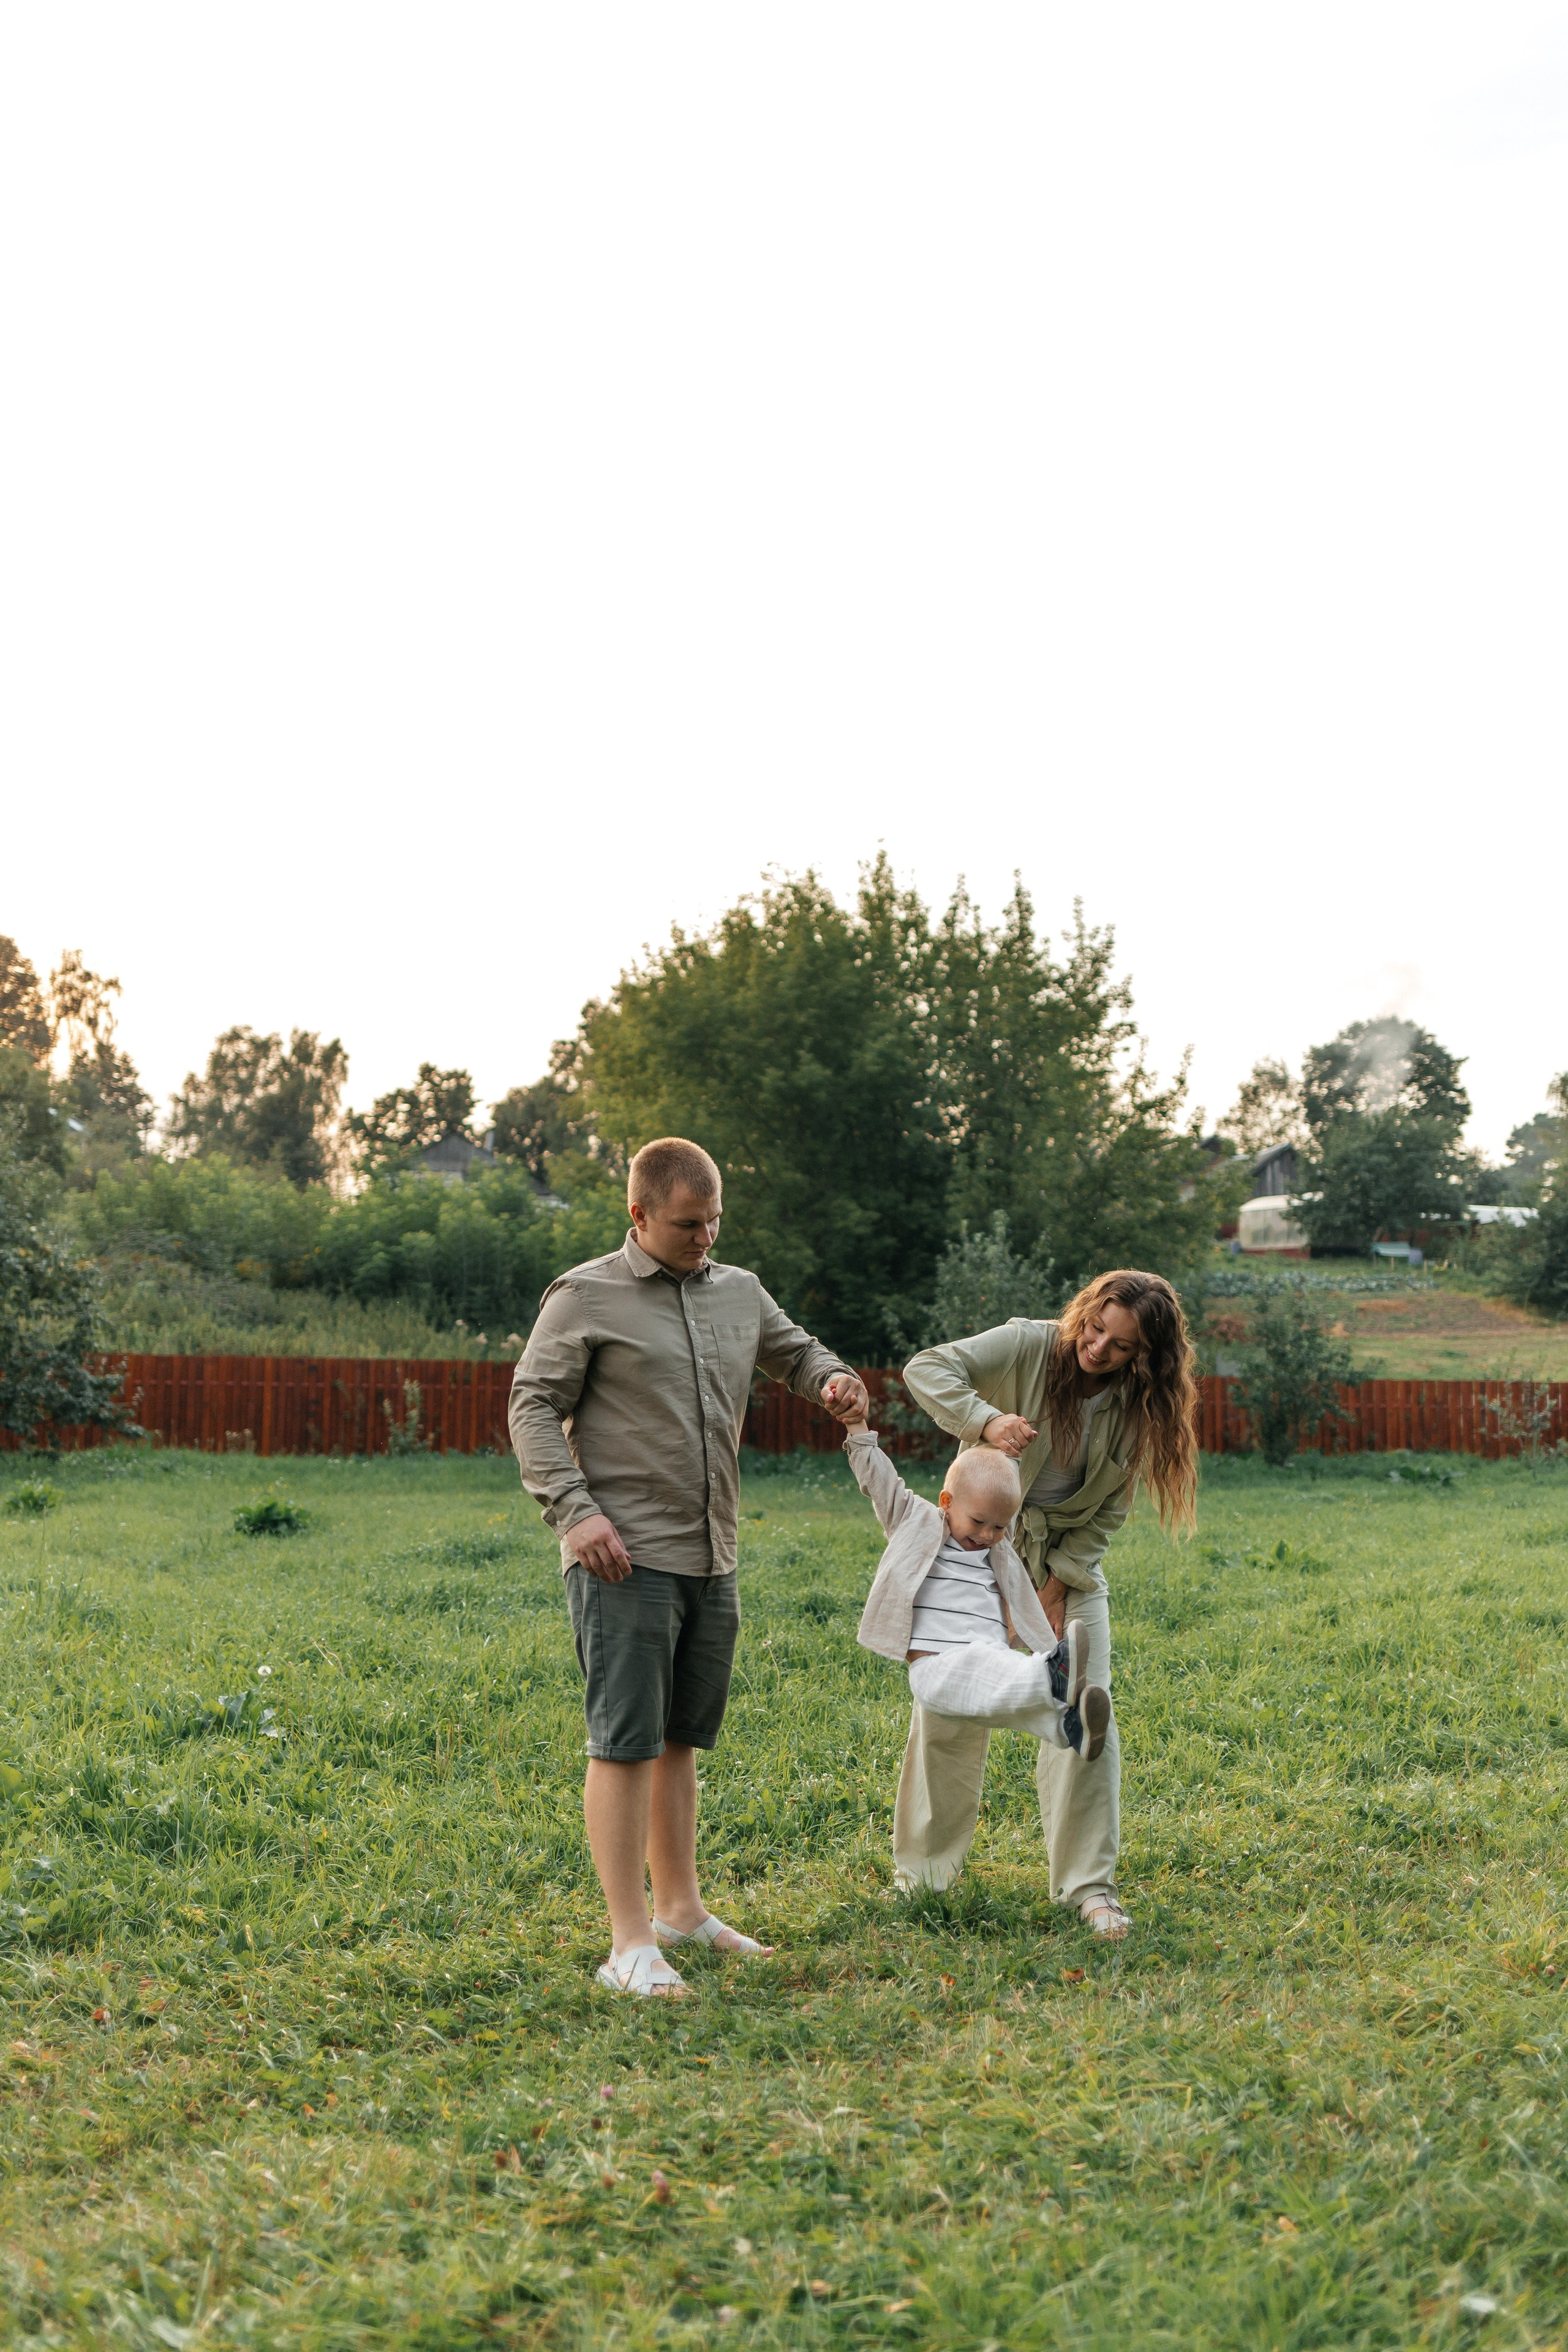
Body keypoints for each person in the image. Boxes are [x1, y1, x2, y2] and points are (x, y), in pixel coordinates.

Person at [510, 1136, 867, 1998]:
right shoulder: (585, 1294)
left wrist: (835, 1378)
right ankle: (628, 1943)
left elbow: (795, 1351)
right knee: (626, 1741)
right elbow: (531, 1404)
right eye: (685, 1224)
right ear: (637, 1215)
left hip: (713, 1550)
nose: (704, 1237)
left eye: (713, 1223)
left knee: (680, 1739)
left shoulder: (738, 1292)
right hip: (621, 1554)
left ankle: (680, 1909)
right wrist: (576, 1512)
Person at [900, 1269, 1197, 1939]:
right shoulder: (1025, 1345)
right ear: (1085, 1313)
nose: (1098, 1350)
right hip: (976, 1556)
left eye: (1120, 1347)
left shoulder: (1141, 1405)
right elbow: (927, 1368)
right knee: (948, 1703)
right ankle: (924, 1876)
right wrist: (986, 1420)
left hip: (1069, 1566)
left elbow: (1110, 1512)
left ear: (1144, 1357)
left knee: (1087, 1707)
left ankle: (1090, 1889)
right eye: (1095, 1329)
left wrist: (1059, 1583)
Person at [840, 1399, 1113, 1761]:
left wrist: (1012, 1451)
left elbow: (1004, 1492)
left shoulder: (997, 1550)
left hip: (989, 1656)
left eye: (1000, 1526)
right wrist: (857, 1428)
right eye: (979, 1522)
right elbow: (880, 1482)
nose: (988, 1535)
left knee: (1008, 1690)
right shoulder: (915, 1521)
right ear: (947, 1501)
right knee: (989, 1668)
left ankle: (1068, 1727)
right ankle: (1051, 1674)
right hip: (936, 1666)